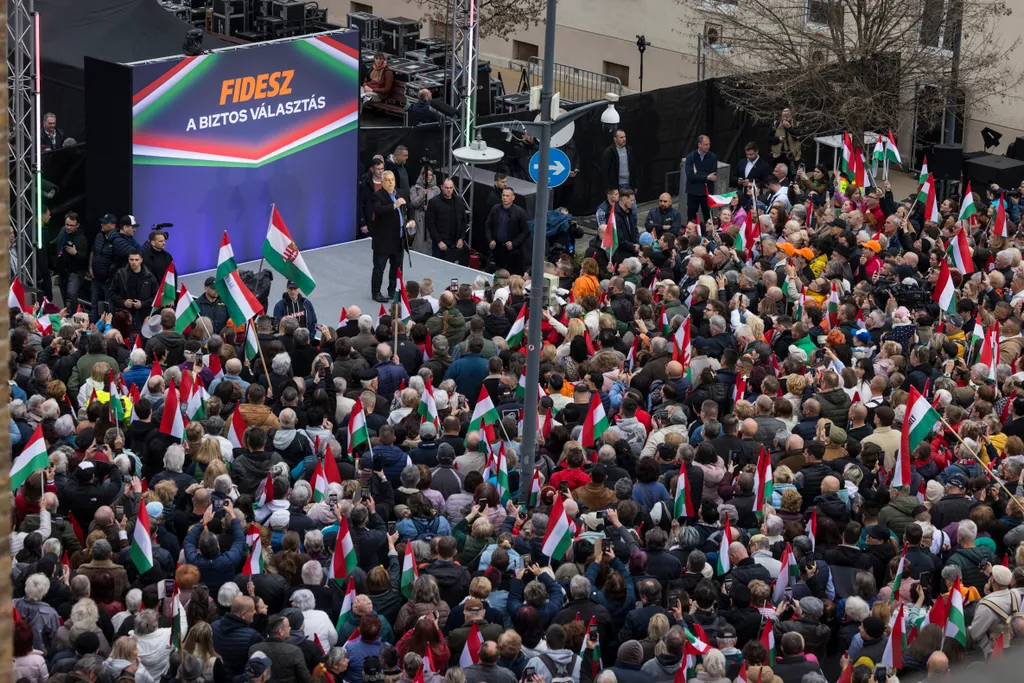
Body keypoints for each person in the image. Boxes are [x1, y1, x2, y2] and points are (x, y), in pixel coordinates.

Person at [370, 170, 413, 303]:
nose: (390, 183)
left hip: (398, 241)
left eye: (392, 180)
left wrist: (411, 220)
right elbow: (379, 210)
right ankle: (376, 292)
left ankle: (393, 290)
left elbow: (408, 209)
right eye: (387, 180)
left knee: (397, 268)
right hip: (383, 241)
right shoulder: (377, 196)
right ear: (382, 182)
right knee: (379, 269)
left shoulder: (401, 194)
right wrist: (394, 205)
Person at [108, 249, 157, 330]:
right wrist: (123, 302)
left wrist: (142, 304)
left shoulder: (150, 277)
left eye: (136, 260)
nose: (134, 262)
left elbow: (156, 297)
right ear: (128, 260)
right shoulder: (120, 274)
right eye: (131, 259)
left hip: (142, 316)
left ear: (141, 260)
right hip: (124, 315)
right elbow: (111, 292)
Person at [485, 188, 529, 274]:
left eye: (507, 196)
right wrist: (490, 240)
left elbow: (526, 231)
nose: (505, 198)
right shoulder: (495, 209)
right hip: (497, 250)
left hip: (512, 252)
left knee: (511, 276)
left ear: (513, 197)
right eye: (503, 195)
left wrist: (514, 243)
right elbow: (488, 225)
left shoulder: (520, 212)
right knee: (495, 274)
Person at [55, 211, 89, 313]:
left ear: (77, 225)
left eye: (71, 225)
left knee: (72, 293)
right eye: (67, 224)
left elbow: (84, 257)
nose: (68, 227)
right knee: (63, 293)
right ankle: (65, 313)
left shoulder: (82, 239)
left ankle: (73, 314)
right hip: (62, 269)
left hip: (76, 271)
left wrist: (75, 253)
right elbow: (56, 242)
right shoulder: (63, 231)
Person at [684, 135, 718, 221]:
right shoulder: (690, 157)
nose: (708, 146)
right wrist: (706, 177)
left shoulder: (712, 157)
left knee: (708, 217)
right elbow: (690, 176)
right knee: (691, 217)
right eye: (705, 144)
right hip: (693, 192)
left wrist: (697, 174)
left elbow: (713, 175)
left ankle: (708, 233)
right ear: (699, 144)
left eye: (709, 144)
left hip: (706, 193)